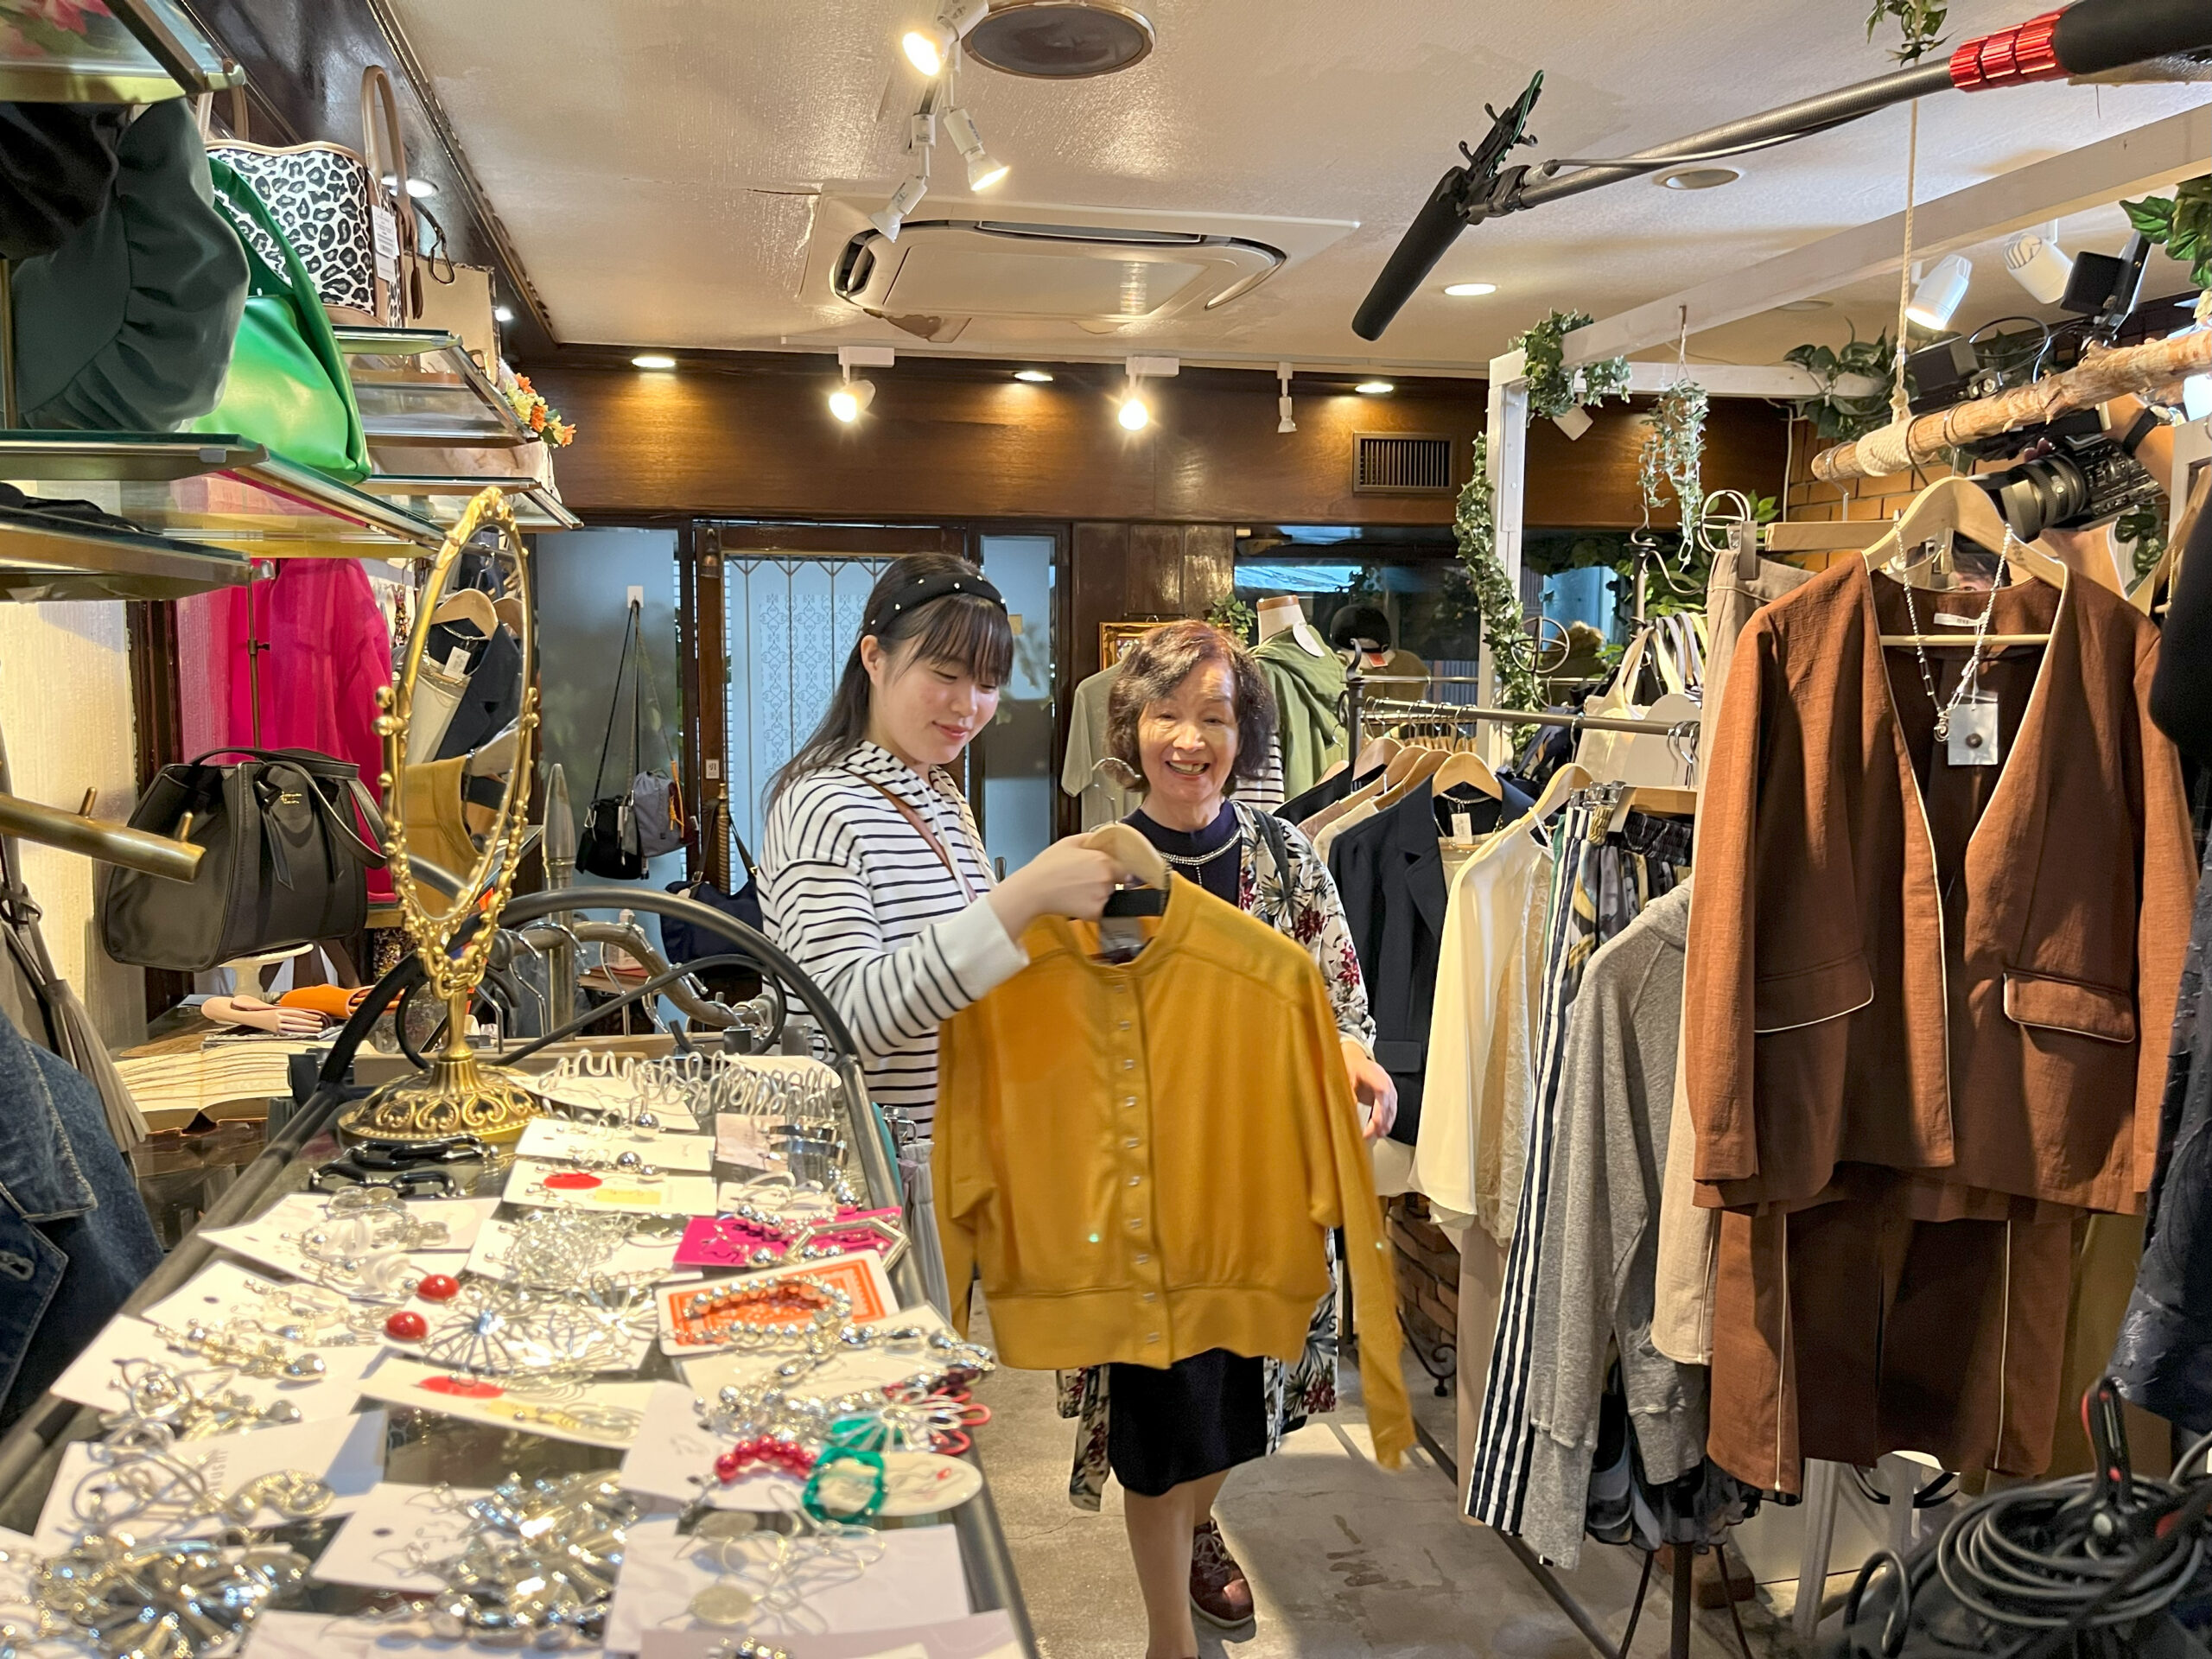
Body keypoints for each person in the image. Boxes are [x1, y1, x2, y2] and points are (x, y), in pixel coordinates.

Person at [1060, 618, 1396, 1659]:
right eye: (1166, 714)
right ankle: (1167, 1635)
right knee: (1155, 1432)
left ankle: (1200, 1521)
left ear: (1243, 734)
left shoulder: (1283, 858)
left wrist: (1356, 1061)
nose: (1189, 739)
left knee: (1233, 1411)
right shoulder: (1107, 870)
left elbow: (1338, 998)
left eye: (1212, 717)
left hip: (1258, 1198)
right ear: (1132, 728)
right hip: (1145, 1209)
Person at [758, 554, 1128, 1139]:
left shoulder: (942, 796)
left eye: (988, 684)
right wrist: (1023, 897)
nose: (968, 706)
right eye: (945, 674)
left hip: (956, 1157)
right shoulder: (822, 804)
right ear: (874, 658)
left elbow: (954, 982)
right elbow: (842, 1020)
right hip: (871, 1167)